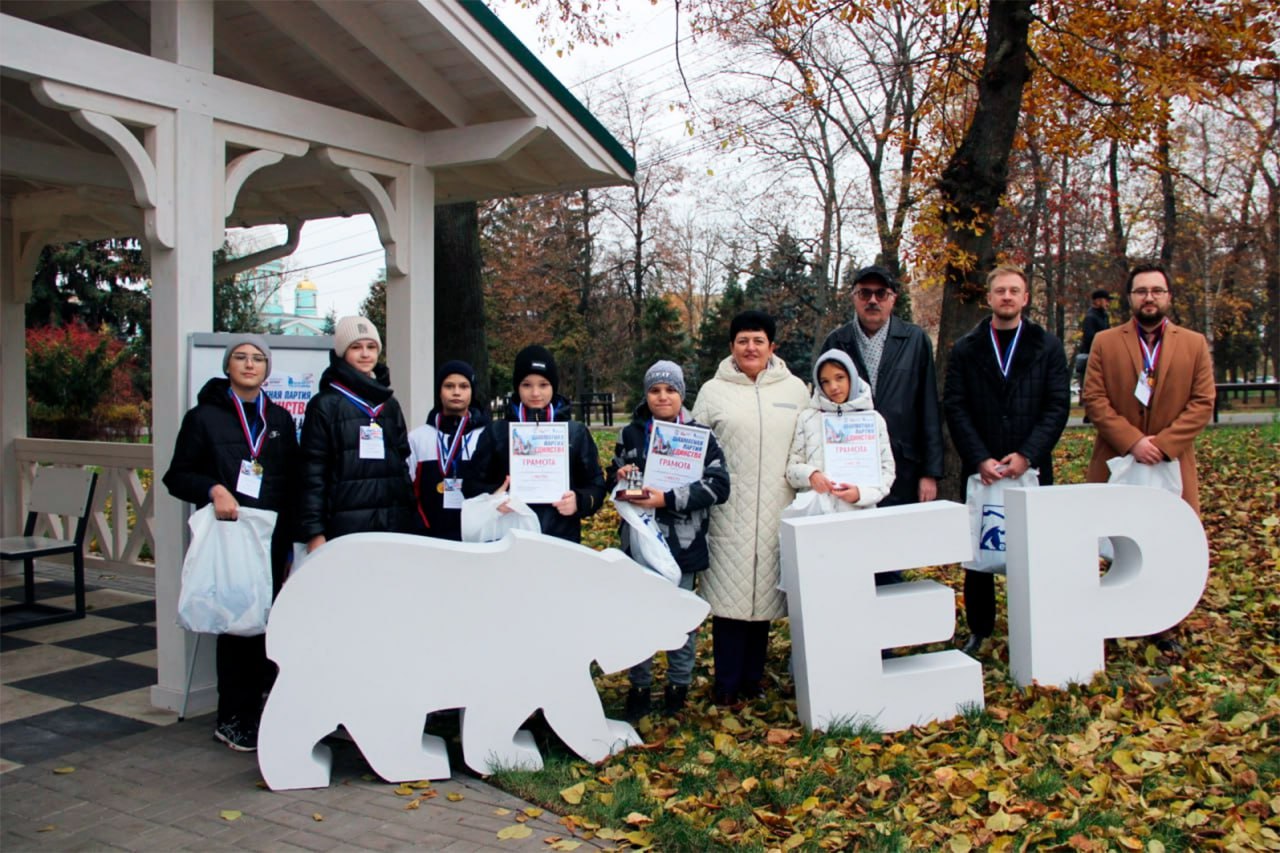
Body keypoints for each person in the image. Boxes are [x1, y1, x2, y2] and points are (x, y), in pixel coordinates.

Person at [163, 334, 298, 752]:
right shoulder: (203, 418)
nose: (249, 364)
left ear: (267, 369)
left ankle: (262, 713)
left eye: (258, 358)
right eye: (240, 357)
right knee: (238, 627)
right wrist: (213, 489)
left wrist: (290, 544)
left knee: (271, 628)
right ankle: (232, 719)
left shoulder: (279, 419)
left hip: (271, 539)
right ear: (227, 367)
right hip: (232, 538)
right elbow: (177, 476)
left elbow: (290, 482)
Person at [1082, 263, 1214, 654]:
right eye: (1141, 291)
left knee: (1168, 542)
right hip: (1117, 458)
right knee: (1114, 539)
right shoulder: (1106, 341)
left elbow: (1203, 402)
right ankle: (1111, 620)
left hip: (1172, 462)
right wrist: (1134, 441)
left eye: (1157, 290)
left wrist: (1165, 443)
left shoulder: (1193, 343)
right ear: (1130, 298)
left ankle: (1164, 626)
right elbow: (1094, 399)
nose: (1149, 297)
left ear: (1168, 296)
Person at [942, 265, 1070, 655]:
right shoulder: (966, 348)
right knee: (978, 550)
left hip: (1030, 466)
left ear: (1026, 298)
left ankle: (1033, 624)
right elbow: (955, 406)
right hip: (982, 468)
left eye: (1015, 290)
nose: (1007, 297)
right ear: (989, 298)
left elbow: (1057, 405)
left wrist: (1028, 454)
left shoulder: (1047, 346)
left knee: (1033, 549)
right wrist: (979, 457)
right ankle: (980, 629)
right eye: (1000, 290)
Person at [691, 310, 808, 706]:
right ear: (732, 347)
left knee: (765, 599)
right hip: (729, 511)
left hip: (777, 507)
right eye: (743, 341)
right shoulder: (713, 392)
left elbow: (808, 444)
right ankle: (726, 682)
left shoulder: (795, 391)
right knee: (729, 600)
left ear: (772, 346)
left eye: (758, 340)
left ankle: (753, 679)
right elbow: (693, 449)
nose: (751, 348)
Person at [607, 361, 730, 718]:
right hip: (639, 541)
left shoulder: (701, 435)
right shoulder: (631, 434)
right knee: (639, 615)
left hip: (683, 544)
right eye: (655, 390)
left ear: (682, 394)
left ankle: (679, 684)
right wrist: (621, 475)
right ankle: (640, 686)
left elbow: (719, 486)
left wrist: (668, 499)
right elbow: (614, 479)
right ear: (646, 395)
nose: (663, 396)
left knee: (680, 616)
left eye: (671, 390)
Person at [822, 266, 943, 586]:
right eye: (865, 293)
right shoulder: (837, 341)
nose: (872, 300)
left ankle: (891, 613)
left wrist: (930, 471)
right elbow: (823, 406)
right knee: (852, 553)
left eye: (880, 294)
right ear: (854, 297)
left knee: (891, 555)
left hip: (901, 465)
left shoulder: (914, 340)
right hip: (848, 467)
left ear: (893, 299)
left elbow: (928, 405)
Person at [298, 316, 421, 552]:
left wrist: (410, 518)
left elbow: (402, 465)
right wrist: (314, 531)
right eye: (356, 347)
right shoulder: (325, 404)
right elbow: (312, 473)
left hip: (391, 524)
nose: (365, 354)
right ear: (342, 353)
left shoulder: (389, 404)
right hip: (343, 528)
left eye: (371, 347)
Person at [464, 345, 605, 543]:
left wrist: (579, 501)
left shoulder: (575, 433)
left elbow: (596, 485)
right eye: (527, 385)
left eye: (543, 385)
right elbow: (470, 485)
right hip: (509, 538)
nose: (535, 393)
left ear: (553, 386)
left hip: (561, 537)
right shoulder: (497, 432)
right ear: (517, 387)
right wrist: (494, 498)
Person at [786, 348, 895, 512]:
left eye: (840, 378)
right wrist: (811, 475)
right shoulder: (807, 419)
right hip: (817, 513)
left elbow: (887, 471)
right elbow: (792, 470)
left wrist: (861, 494)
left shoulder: (873, 420)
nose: (833, 387)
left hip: (859, 514)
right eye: (825, 381)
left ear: (852, 377)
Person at [407, 360, 489, 541]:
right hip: (428, 537)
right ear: (439, 391)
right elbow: (407, 489)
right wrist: (419, 526)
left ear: (472, 391)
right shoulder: (418, 437)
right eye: (449, 386)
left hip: (476, 539)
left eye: (464, 386)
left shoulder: (486, 436)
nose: (456, 392)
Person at [1076, 288, 1112, 413]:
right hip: (1092, 355)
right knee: (1091, 384)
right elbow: (1089, 338)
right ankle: (1089, 411)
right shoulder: (1091, 317)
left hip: (1103, 354)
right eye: (1106, 300)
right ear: (1097, 301)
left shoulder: (1104, 316)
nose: (1108, 304)